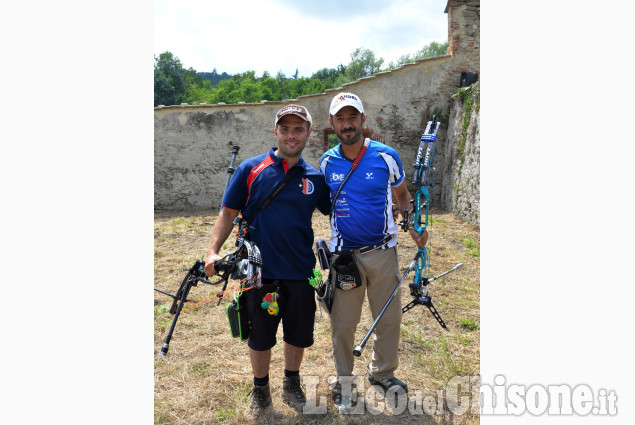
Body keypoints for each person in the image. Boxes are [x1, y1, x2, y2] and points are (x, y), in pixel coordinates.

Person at [204, 104, 330, 417]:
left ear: (308, 134)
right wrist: (212, 251)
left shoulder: (315, 176)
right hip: (258, 273)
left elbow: (338, 209)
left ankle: (291, 384)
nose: (291, 135)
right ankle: (260, 389)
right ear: (276, 131)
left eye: (298, 129)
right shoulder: (251, 169)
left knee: (298, 334)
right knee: (260, 336)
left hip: (301, 272)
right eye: (285, 128)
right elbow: (228, 213)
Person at [319, 92, 427, 412]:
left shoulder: (386, 156)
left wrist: (411, 223)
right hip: (345, 258)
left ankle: (382, 374)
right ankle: (344, 381)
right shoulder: (326, 163)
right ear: (333, 124)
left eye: (353, 118)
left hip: (383, 252)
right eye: (341, 118)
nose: (347, 124)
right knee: (343, 322)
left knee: (389, 319)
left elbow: (403, 195)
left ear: (363, 121)